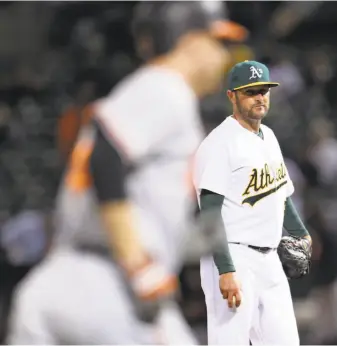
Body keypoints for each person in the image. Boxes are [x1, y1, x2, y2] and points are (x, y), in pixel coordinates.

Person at [7, 2, 248, 345]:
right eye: (217, 42)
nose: (223, 55)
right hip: (107, 287)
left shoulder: (157, 92)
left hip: (64, 282)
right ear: (191, 41)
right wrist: (137, 264)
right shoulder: (166, 88)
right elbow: (105, 155)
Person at [193, 60, 312, 345]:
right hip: (234, 256)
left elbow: (280, 194)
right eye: (250, 91)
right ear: (232, 96)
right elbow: (209, 216)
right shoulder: (219, 144)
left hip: (270, 259)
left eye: (264, 90)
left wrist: (300, 233)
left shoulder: (268, 136)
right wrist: (225, 270)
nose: (260, 97)